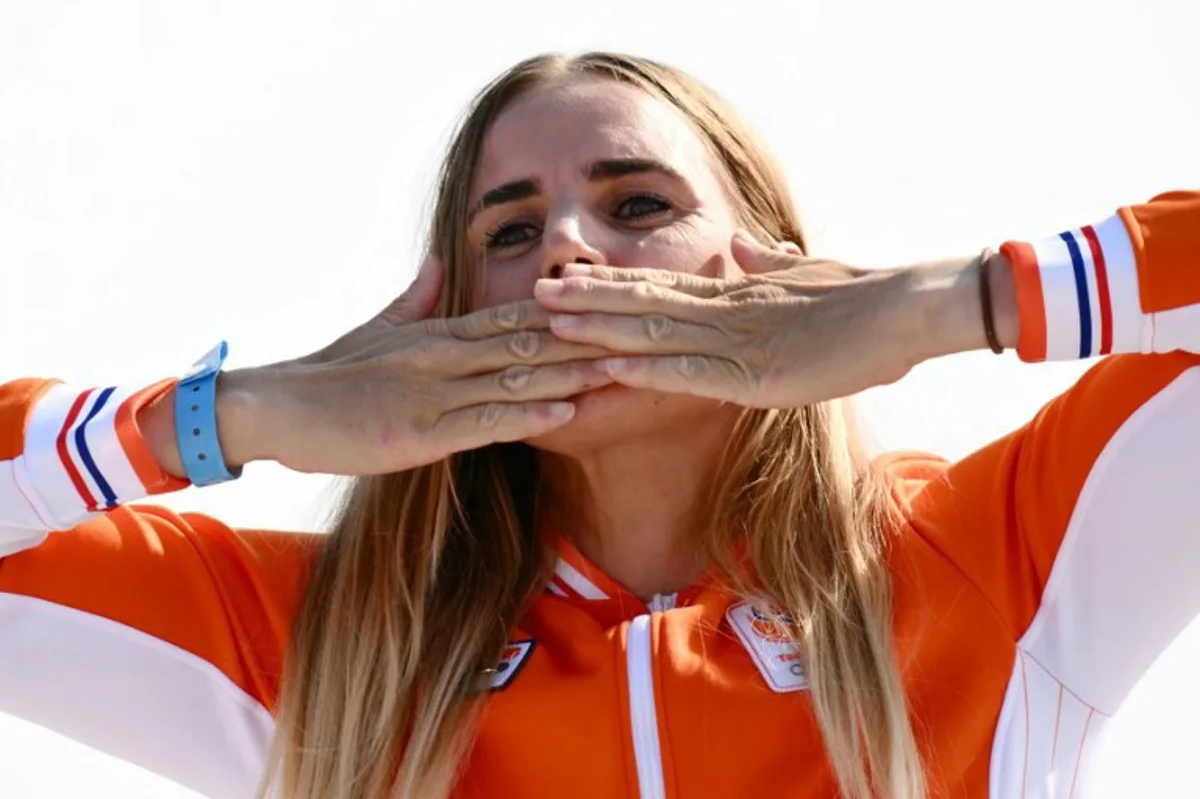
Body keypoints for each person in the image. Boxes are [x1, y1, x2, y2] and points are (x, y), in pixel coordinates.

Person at [1, 50, 1197, 799]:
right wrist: (235, 413)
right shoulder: (325, 649)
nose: (568, 247)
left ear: (765, 261)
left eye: (637, 203)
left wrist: (954, 303)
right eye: (509, 234)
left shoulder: (993, 555)